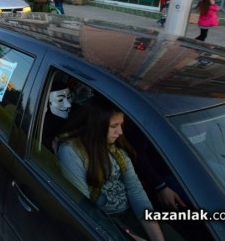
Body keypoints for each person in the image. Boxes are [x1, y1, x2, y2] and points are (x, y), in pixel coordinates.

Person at [58, 97, 167, 241]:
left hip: (130, 212)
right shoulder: (72, 151)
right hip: (101, 220)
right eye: (114, 126)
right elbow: (83, 206)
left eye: (121, 125)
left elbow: (135, 190)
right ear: (97, 125)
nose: (120, 131)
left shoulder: (115, 146)